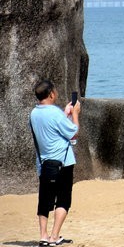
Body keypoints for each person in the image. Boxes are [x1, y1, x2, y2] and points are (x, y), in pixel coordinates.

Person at [30, 79, 80, 247]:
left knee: (44, 200)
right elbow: (73, 132)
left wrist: (64, 114)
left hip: (44, 164)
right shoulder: (55, 113)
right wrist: (75, 114)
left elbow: (51, 128)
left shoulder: (34, 113)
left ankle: (43, 236)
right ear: (51, 94)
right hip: (63, 163)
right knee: (63, 199)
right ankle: (54, 236)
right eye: (55, 91)